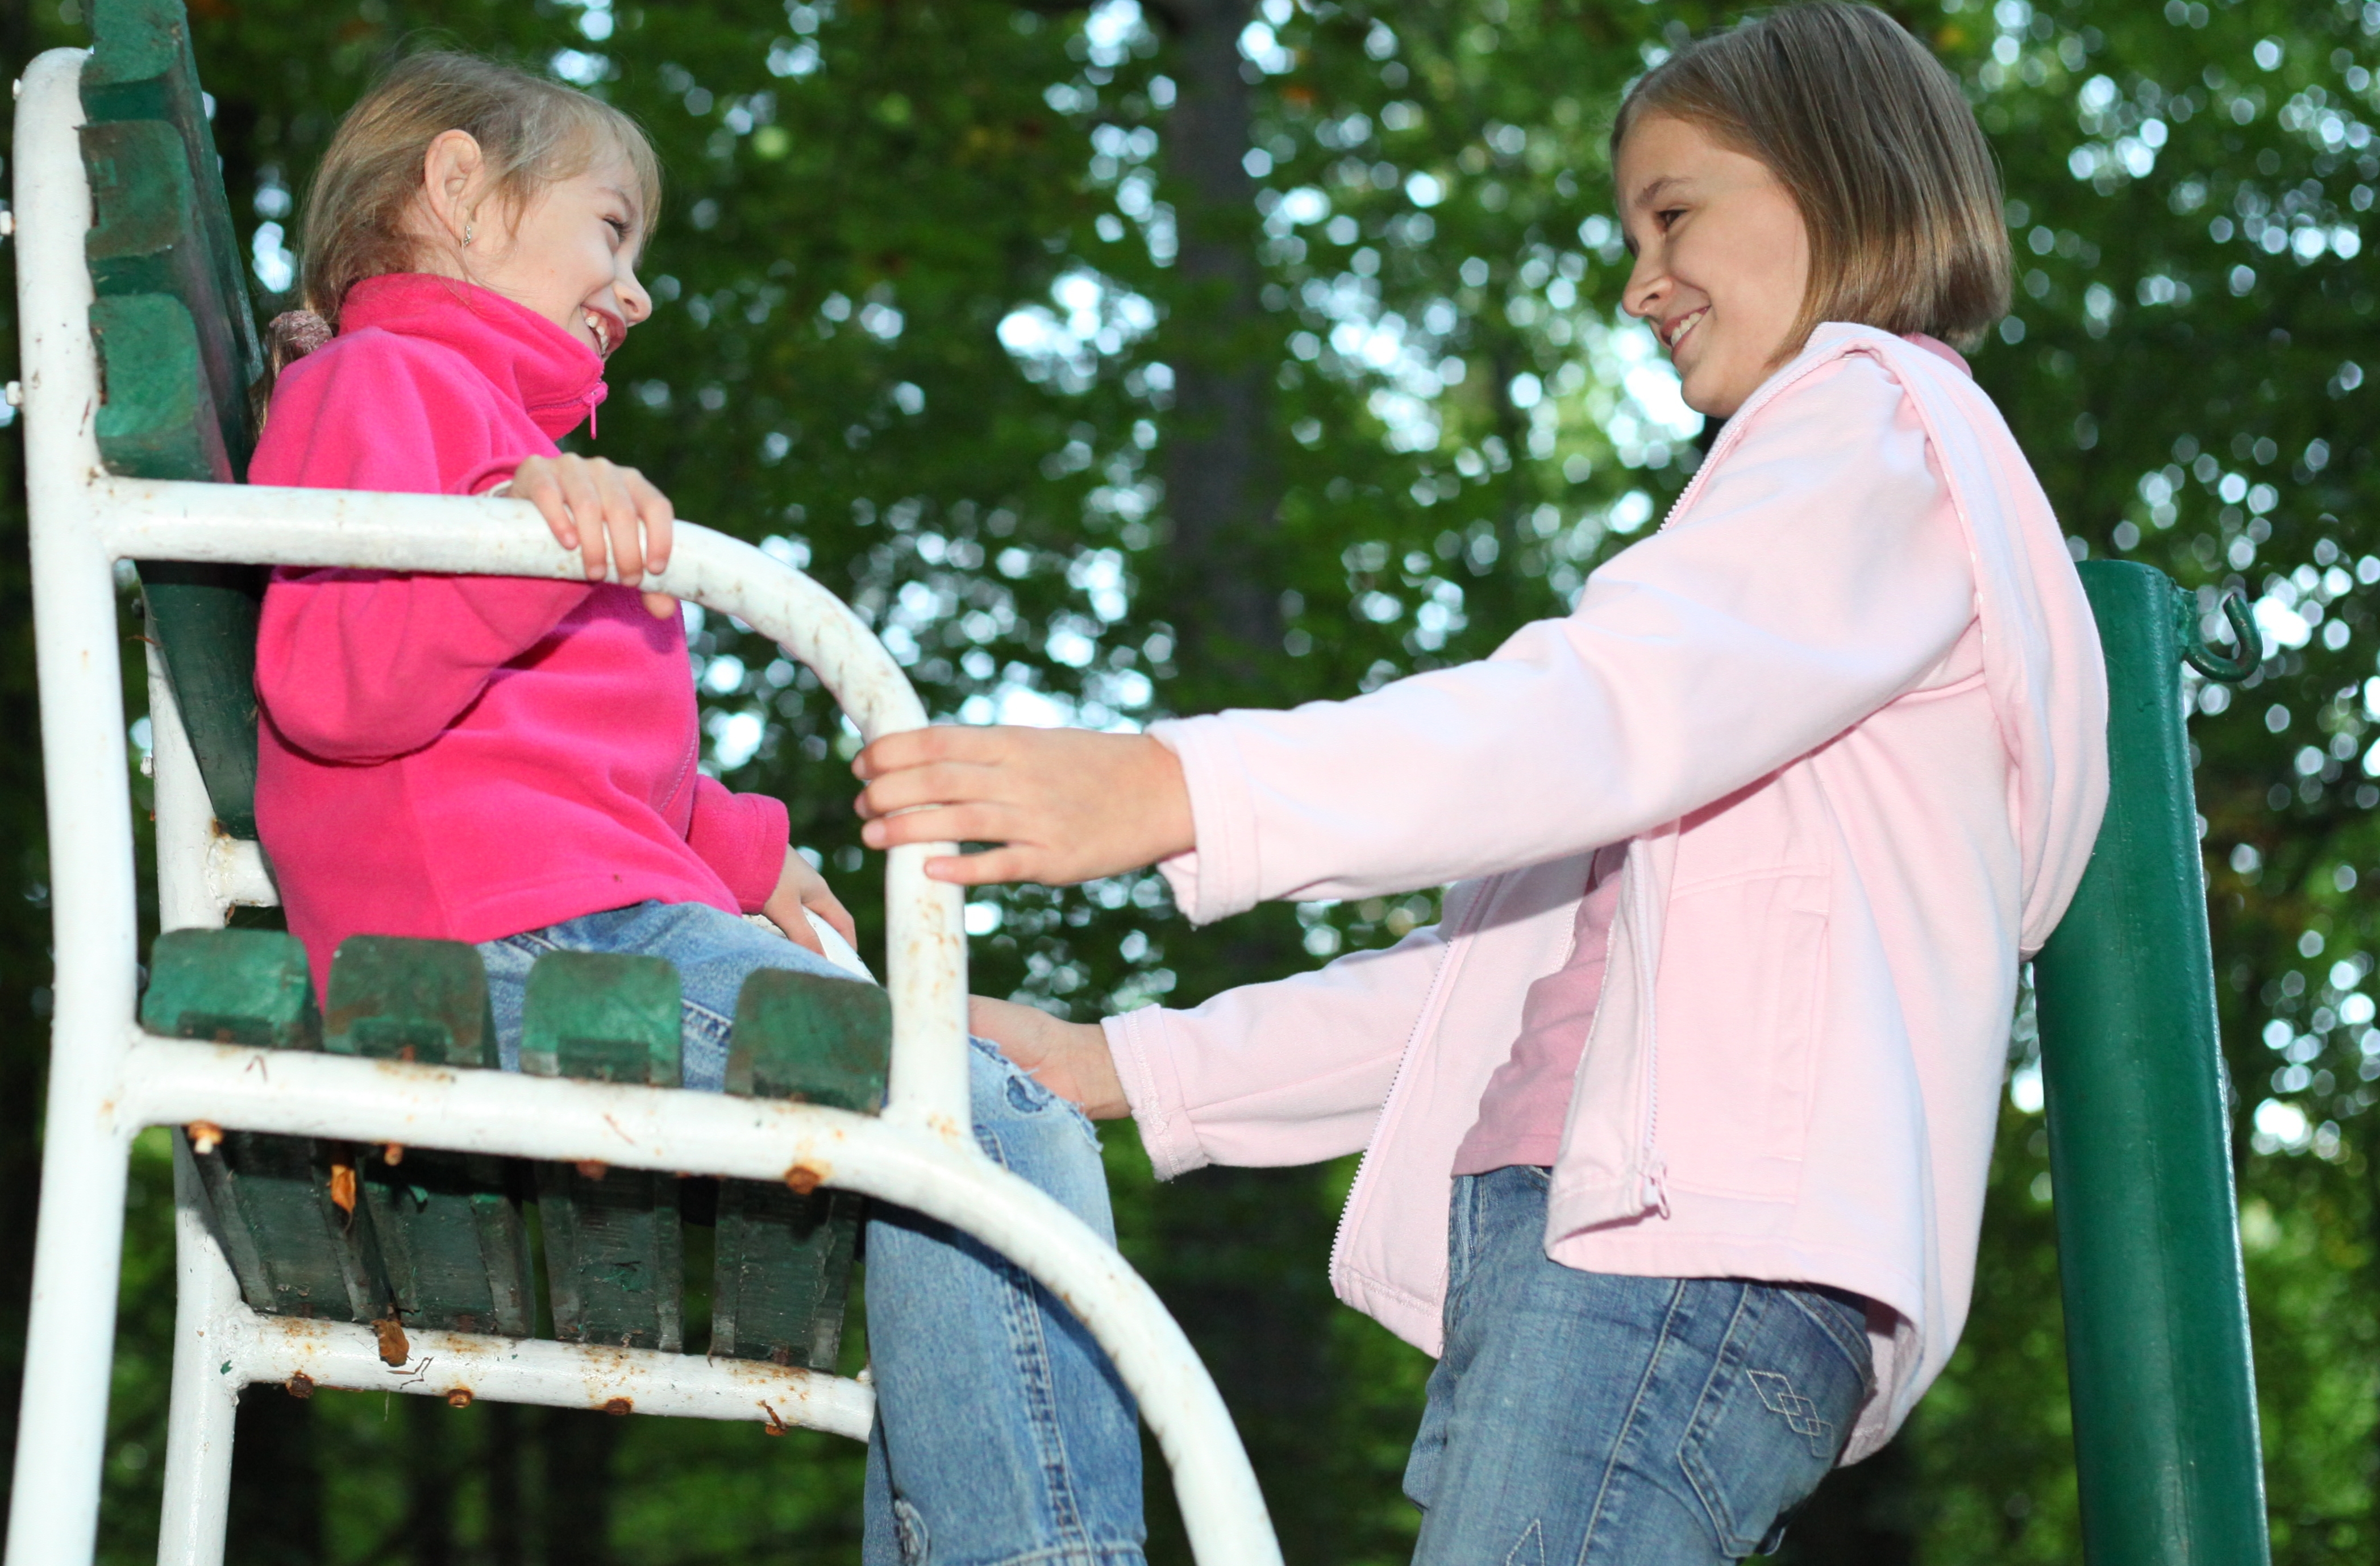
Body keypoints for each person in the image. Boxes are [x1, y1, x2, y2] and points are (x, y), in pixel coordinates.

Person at [853, 6, 2109, 1560]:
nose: (1638, 280)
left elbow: (1599, 703)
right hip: (1586, 1247)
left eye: (1671, 213)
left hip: (1669, 1261)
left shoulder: (1872, 425)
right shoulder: (1789, 603)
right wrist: (1123, 1064)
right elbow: (1478, 991)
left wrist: (1178, 786)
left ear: (1835, 177)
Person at [248, 52, 1143, 1566]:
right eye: (611, 229)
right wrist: (508, 547)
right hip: (503, 943)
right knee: (981, 1116)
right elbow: (329, 685)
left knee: (973, 1121)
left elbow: (581, 769)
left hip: (577, 911)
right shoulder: (374, 386)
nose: (634, 288)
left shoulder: (500, 446)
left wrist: (743, 850)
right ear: (458, 190)